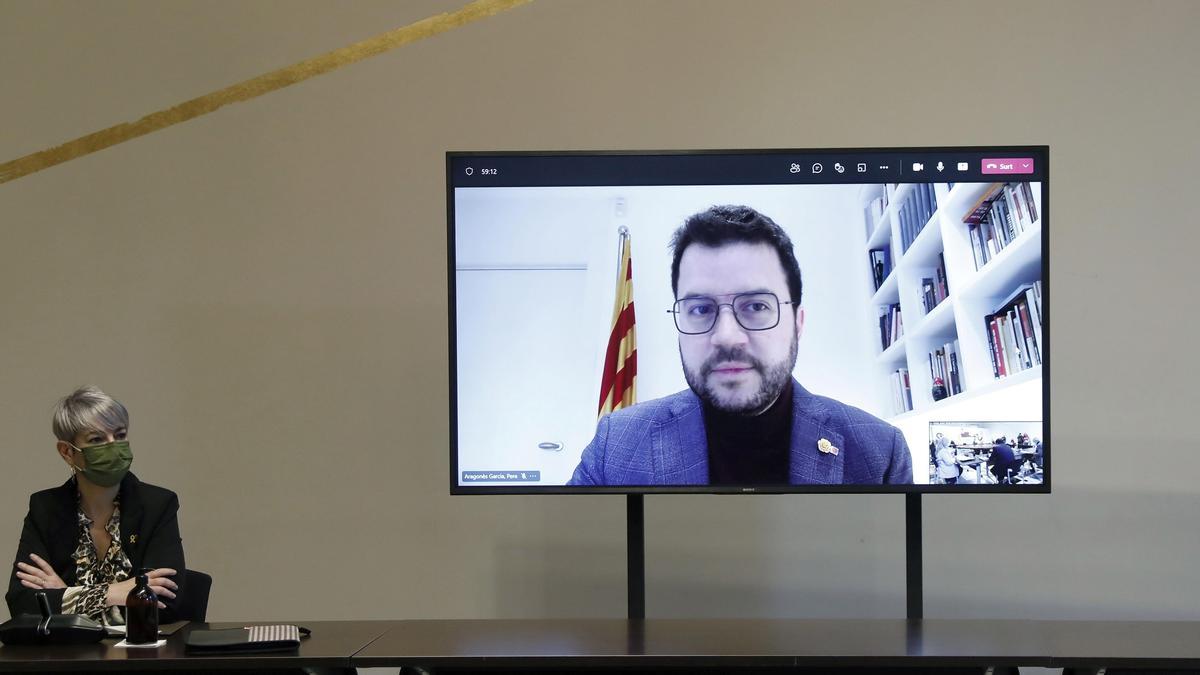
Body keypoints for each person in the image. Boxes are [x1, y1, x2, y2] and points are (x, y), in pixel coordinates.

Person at [568, 205, 912, 486]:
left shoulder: (879, 453)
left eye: (757, 306)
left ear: (798, 323)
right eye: (700, 309)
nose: (727, 336)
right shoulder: (616, 447)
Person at [6, 386, 184, 623]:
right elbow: (22, 604)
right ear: (67, 452)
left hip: (142, 657)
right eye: (97, 439)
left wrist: (66, 595)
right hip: (67, 658)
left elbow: (163, 606)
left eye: (120, 435)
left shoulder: (157, 505)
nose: (113, 446)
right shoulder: (45, 508)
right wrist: (112, 593)